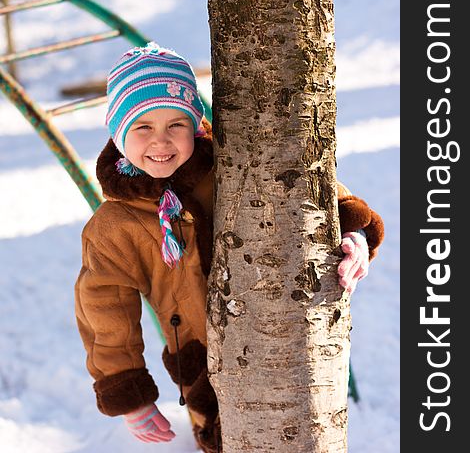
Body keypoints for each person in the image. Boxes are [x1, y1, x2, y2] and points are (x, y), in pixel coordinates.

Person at [74, 42, 384, 452]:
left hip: (281, 334)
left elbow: (300, 188)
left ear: (195, 124)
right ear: (118, 132)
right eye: (142, 127)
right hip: (202, 362)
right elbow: (104, 308)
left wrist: (352, 231)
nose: (161, 142)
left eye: (176, 125)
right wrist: (128, 392)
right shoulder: (115, 226)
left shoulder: (230, 166)